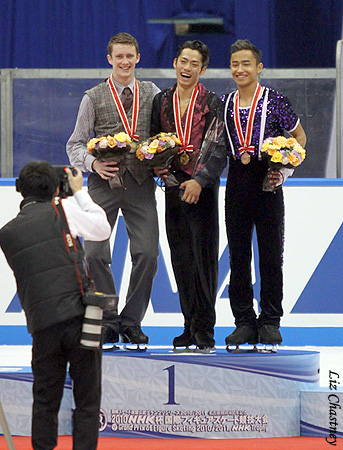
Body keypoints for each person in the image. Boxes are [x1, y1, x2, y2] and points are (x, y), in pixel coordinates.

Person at [0, 161, 111, 450]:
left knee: (45, 402)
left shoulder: (8, 233)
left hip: (43, 325)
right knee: (87, 401)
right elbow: (102, 229)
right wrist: (80, 192)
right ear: (54, 189)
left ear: (19, 190)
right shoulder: (65, 210)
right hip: (81, 317)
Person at [67, 32, 160, 349]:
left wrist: (161, 158)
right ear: (109, 59)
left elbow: (164, 138)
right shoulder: (93, 97)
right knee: (93, 253)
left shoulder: (152, 93)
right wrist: (93, 164)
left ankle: (131, 322)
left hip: (140, 184)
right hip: (102, 185)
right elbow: (75, 144)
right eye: (118, 56)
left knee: (147, 253)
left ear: (138, 58)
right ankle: (108, 320)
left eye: (129, 56)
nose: (124, 61)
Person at [222, 39, 307, 349]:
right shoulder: (225, 103)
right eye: (234, 64)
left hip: (268, 182)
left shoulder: (275, 101)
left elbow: (299, 138)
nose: (240, 69)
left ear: (259, 67)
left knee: (271, 255)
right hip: (237, 183)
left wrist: (283, 172)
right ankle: (244, 321)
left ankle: (270, 320)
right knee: (239, 256)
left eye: (246, 63)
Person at [151, 40, 227, 352]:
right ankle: (188, 325)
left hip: (202, 190)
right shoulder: (162, 101)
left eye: (194, 64)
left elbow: (218, 147)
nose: (187, 68)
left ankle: (205, 329)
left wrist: (199, 181)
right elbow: (155, 142)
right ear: (174, 62)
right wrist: (165, 174)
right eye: (183, 61)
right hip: (173, 188)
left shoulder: (212, 102)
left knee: (204, 261)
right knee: (181, 259)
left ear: (203, 69)